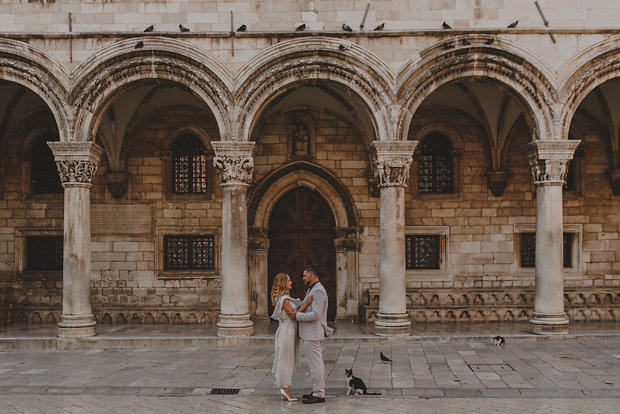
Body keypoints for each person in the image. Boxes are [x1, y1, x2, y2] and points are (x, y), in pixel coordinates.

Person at [286, 266, 334, 404]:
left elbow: (316, 314)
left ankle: (319, 393)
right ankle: (317, 390)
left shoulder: (318, 290)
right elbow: (308, 306)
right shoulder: (312, 289)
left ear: (311, 276)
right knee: (316, 364)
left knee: (316, 365)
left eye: (304, 276)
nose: (303, 278)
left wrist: (297, 315)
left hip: (312, 332)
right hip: (310, 333)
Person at [271, 272, 313, 402]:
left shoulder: (286, 298)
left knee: (288, 358)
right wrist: (305, 304)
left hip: (290, 330)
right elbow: (293, 315)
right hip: (287, 331)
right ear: (283, 283)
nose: (291, 282)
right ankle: (285, 387)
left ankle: (286, 387)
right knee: (286, 359)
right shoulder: (284, 300)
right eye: (288, 280)